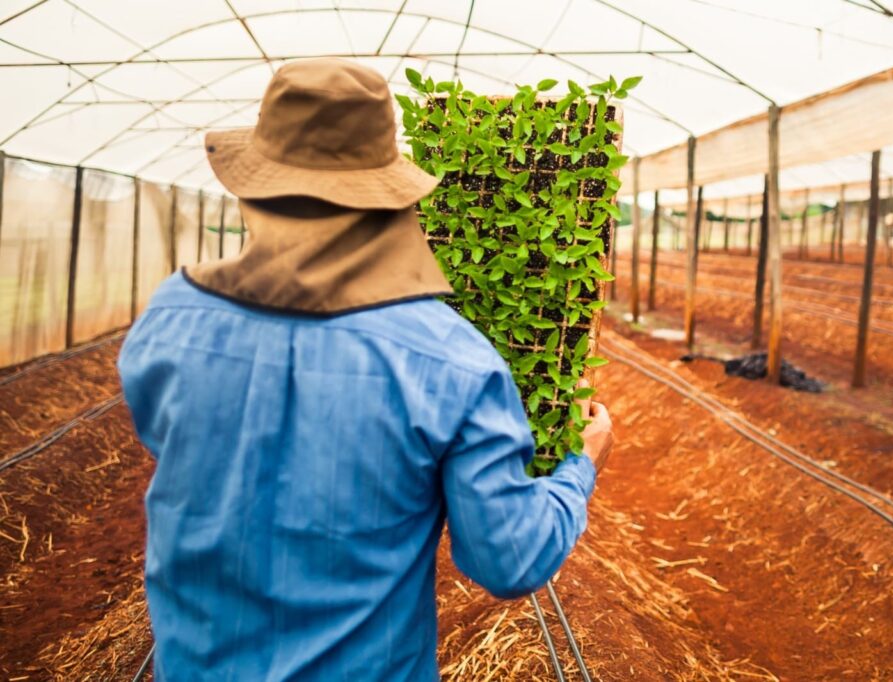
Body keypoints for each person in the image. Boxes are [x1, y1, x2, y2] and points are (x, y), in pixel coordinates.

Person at [118, 58, 614, 681]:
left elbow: (169, 441)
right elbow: (507, 558)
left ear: (255, 190)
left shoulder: (173, 317)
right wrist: (580, 468)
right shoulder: (452, 361)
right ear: (388, 204)